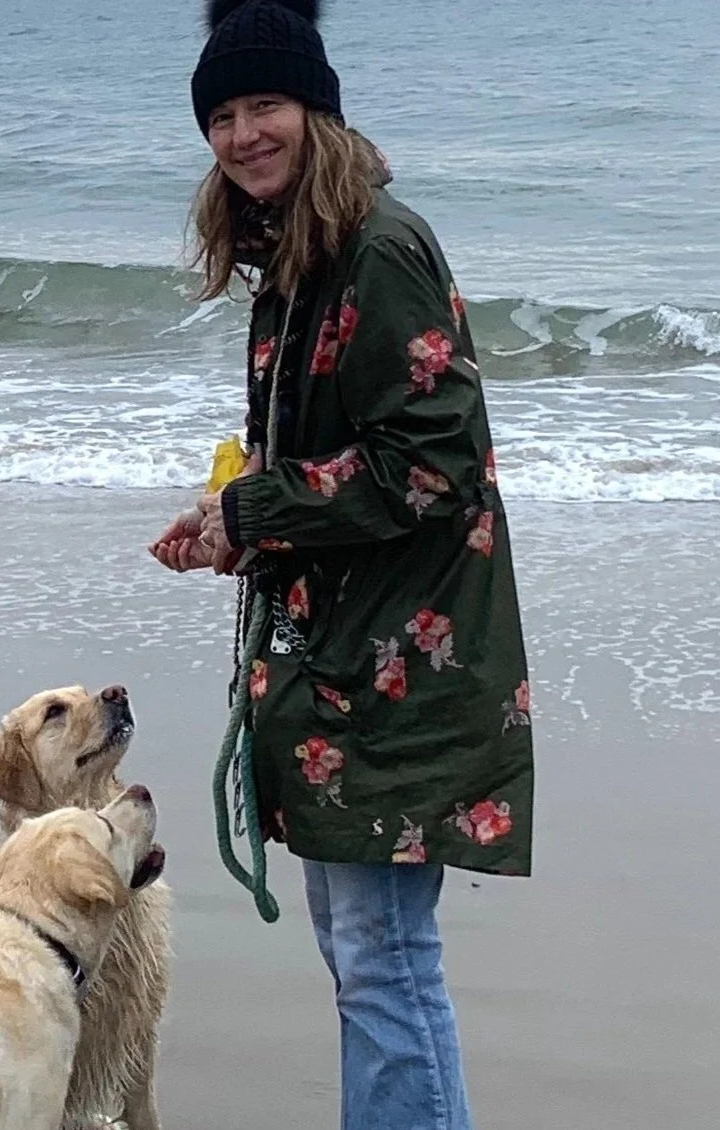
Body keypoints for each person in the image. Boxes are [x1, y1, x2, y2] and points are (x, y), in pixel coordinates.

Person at [150, 2, 535, 1128]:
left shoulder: (376, 246)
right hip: (344, 648)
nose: (239, 134)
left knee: (382, 956)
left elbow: (435, 461)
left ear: (316, 111)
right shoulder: (297, 259)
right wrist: (240, 525)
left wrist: (255, 505)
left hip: (403, 660)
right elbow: (345, 464)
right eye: (219, 114)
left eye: (262, 104)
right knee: (365, 949)